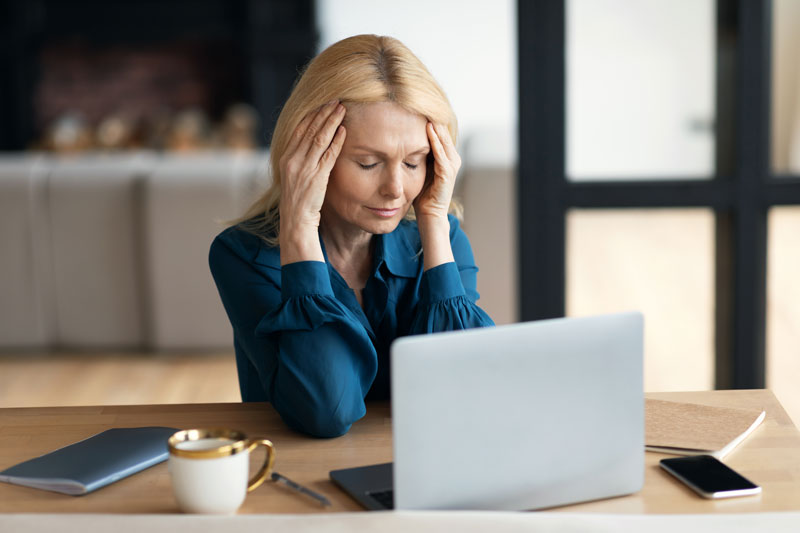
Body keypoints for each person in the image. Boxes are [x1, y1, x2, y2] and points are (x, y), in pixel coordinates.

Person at [209, 34, 494, 438]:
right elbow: (326, 409)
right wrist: (300, 229)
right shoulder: (242, 256)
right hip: (293, 478)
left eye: (414, 162)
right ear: (308, 155)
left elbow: (470, 392)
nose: (396, 188)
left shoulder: (439, 242)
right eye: (368, 163)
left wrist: (433, 218)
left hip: (420, 469)